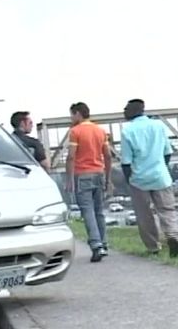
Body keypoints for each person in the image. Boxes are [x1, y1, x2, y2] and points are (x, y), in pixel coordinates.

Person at [120, 99, 178, 258]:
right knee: (167, 210)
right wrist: (162, 167)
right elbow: (168, 152)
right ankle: (172, 235)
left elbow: (126, 162)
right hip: (161, 176)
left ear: (132, 111)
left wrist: (129, 179)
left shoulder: (127, 131)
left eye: (125, 109)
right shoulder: (159, 125)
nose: (124, 112)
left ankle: (153, 247)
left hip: (139, 180)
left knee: (144, 215)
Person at [66, 102, 113, 262]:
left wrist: (69, 179)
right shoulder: (100, 131)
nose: (71, 118)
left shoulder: (75, 131)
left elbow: (71, 156)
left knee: (88, 211)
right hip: (99, 173)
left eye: (72, 114)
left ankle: (96, 245)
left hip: (82, 175)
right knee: (99, 211)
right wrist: (108, 177)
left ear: (78, 114)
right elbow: (107, 155)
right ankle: (104, 243)